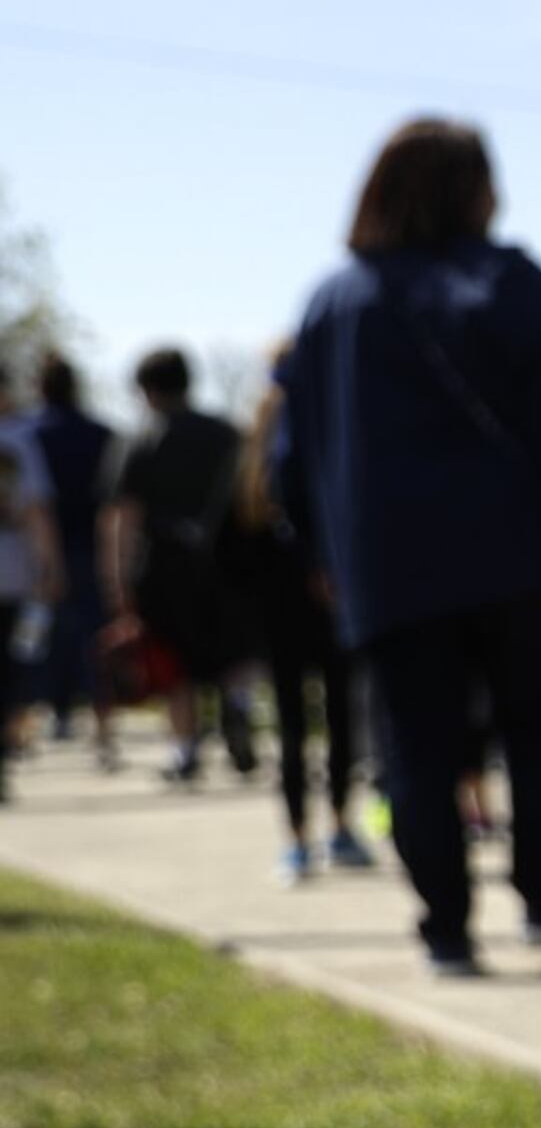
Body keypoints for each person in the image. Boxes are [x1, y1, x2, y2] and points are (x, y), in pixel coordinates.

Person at [280, 118, 541, 977]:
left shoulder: (332, 303)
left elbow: (295, 452)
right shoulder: (508, 281)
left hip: (388, 565)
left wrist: (317, 550)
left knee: (415, 747)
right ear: (469, 189)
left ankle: (446, 928)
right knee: (539, 729)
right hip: (517, 553)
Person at [236, 354, 375, 882]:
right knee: (339, 717)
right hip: (327, 601)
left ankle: (296, 839)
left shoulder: (251, 461)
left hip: (277, 612)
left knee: (294, 725)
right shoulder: (320, 445)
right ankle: (339, 826)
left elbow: (227, 548)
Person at [103, 348, 259, 786]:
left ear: (148, 390)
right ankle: (239, 705)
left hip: (163, 561)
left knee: (176, 662)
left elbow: (123, 516)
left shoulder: (141, 441)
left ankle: (186, 747)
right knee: (234, 649)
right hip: (227, 559)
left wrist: (119, 582)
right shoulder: (227, 433)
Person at [27, 358, 116, 763]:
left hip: (35, 554)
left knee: (34, 640)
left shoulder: (27, 435)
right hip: (94, 549)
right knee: (96, 640)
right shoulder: (102, 434)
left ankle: (29, 721)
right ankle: (102, 725)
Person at [0, 401, 58, 797]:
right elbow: (37, 511)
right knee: (12, 672)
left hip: (14, 577)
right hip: (14, 577)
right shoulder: (18, 441)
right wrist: (50, 566)